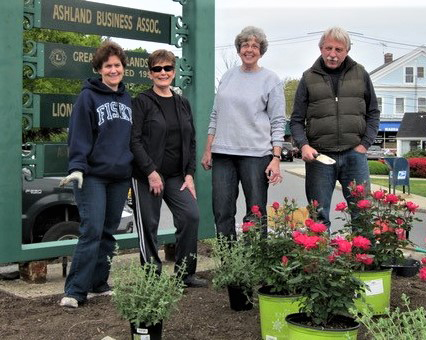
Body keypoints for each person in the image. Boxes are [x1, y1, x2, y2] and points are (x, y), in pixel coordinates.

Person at [59, 41, 133, 308]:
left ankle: (99, 284)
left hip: (119, 177)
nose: (113, 70)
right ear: (99, 69)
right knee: (91, 230)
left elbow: (132, 139)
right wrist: (77, 167)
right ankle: (75, 291)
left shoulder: (127, 99)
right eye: (108, 66)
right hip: (92, 177)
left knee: (107, 232)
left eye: (117, 65)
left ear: (123, 68)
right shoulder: (87, 98)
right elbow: (78, 135)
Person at [290, 26, 380, 229]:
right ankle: (321, 261)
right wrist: (303, 145)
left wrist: (365, 144)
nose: (332, 54)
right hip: (320, 158)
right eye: (328, 48)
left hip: (354, 155)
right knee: (318, 218)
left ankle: (362, 260)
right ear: (320, 48)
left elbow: (373, 113)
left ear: (347, 50)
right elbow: (296, 120)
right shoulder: (308, 78)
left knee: (363, 215)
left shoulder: (361, 74)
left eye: (338, 50)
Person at [131, 49, 207, 287]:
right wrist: (151, 172)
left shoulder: (182, 103)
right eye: (157, 69)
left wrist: (189, 174)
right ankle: (152, 278)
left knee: (191, 216)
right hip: (147, 176)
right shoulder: (142, 102)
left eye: (167, 68)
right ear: (150, 73)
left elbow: (191, 140)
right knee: (149, 226)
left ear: (174, 72)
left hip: (176, 176)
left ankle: (185, 274)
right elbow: (134, 141)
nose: (163, 73)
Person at [201, 26, 286, 239]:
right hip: (223, 154)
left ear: (261, 51)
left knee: (255, 213)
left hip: (256, 155)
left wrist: (276, 158)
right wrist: (208, 149)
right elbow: (215, 115)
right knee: (222, 211)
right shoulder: (227, 77)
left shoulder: (271, 80)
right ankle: (229, 263)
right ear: (239, 49)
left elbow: (278, 122)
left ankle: (255, 265)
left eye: (255, 46)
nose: (249, 49)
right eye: (245, 45)